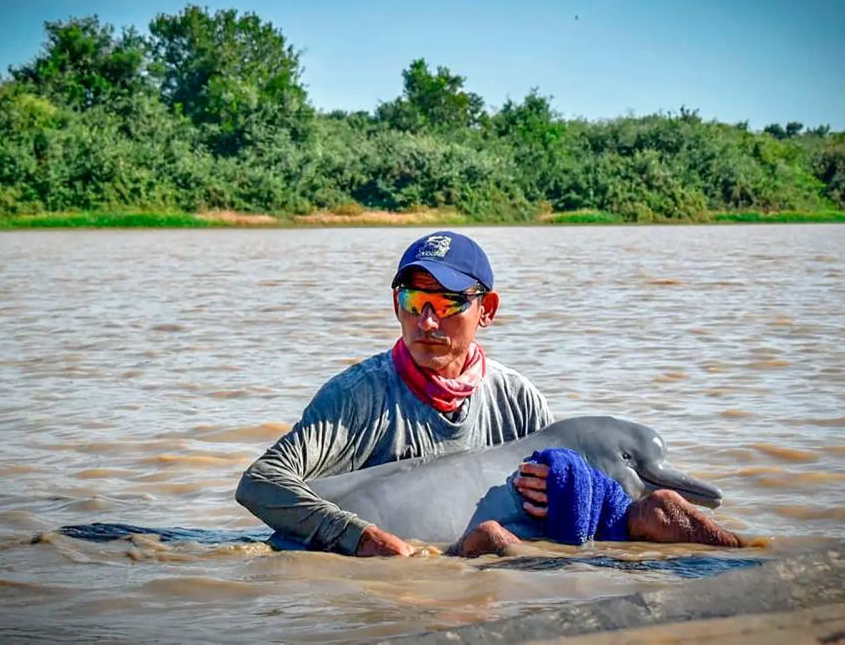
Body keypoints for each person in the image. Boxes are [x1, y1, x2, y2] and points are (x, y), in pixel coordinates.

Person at [236, 231, 741, 557]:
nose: (426, 321)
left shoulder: (517, 399)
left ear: (488, 308)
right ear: (396, 304)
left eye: (447, 302)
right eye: (413, 300)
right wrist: (360, 537)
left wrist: (564, 493)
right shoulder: (356, 398)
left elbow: (565, 503)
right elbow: (260, 484)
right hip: (363, 561)